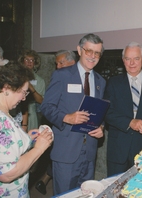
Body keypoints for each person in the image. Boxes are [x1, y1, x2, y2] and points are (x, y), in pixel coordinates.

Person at [40, 33, 106, 195]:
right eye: (89, 51)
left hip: (89, 152)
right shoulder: (61, 75)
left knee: (86, 194)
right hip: (66, 151)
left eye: (97, 53)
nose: (92, 56)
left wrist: (101, 127)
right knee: (65, 194)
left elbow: (99, 113)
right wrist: (66, 117)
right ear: (79, 50)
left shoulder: (100, 81)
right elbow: (46, 107)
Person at [0, 61, 53, 198]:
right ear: (7, 88)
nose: (24, 98)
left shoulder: (0, 109)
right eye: (23, 92)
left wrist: (27, 139)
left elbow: (4, 146)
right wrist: (39, 148)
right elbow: (6, 174)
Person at [104, 42, 142, 176]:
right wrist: (129, 122)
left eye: (136, 58)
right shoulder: (113, 83)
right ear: (123, 61)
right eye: (128, 59)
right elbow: (107, 113)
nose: (132, 63)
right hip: (118, 150)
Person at [35, 49, 77, 195]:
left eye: (61, 62)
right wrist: (65, 117)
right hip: (61, 130)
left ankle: (44, 179)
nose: (58, 66)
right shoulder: (58, 77)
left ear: (72, 62)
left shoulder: (83, 79)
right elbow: (47, 105)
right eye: (56, 64)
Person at [18, 49, 46, 131]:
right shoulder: (16, 76)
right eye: (26, 59)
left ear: (35, 63)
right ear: (22, 61)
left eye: (32, 60)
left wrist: (31, 88)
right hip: (16, 111)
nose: (29, 62)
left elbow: (41, 100)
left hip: (31, 113)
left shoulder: (39, 80)